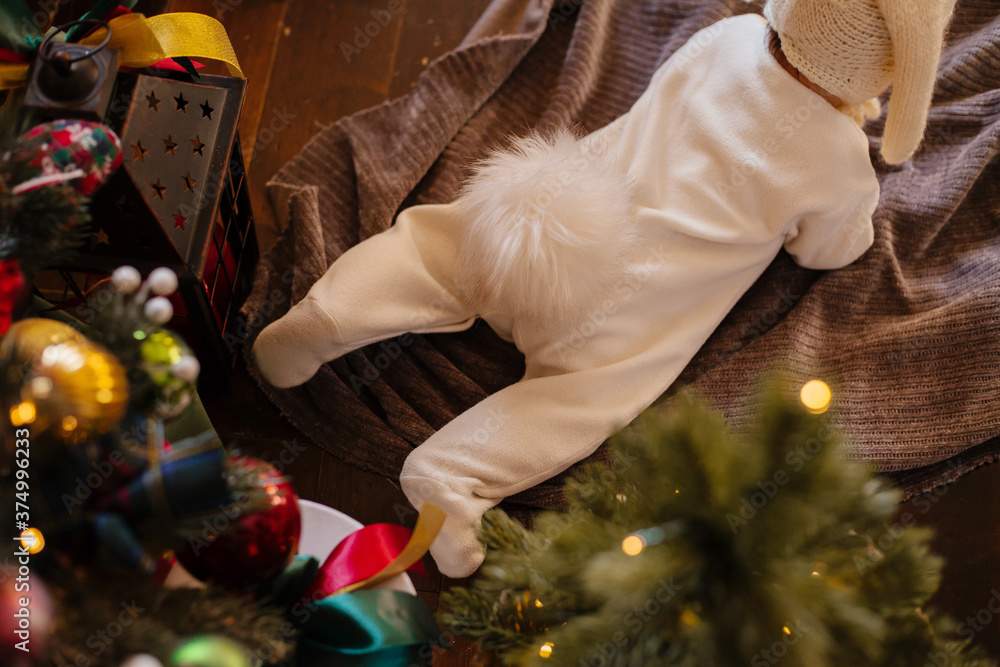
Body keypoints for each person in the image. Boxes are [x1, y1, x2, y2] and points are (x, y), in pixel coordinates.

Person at [252, 0, 957, 577]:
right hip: (621, 315)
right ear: (887, 71)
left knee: (442, 246)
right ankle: (452, 476)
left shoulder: (728, 36)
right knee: (583, 398)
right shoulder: (837, 164)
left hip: (553, 225)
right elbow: (829, 249)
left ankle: (332, 313)